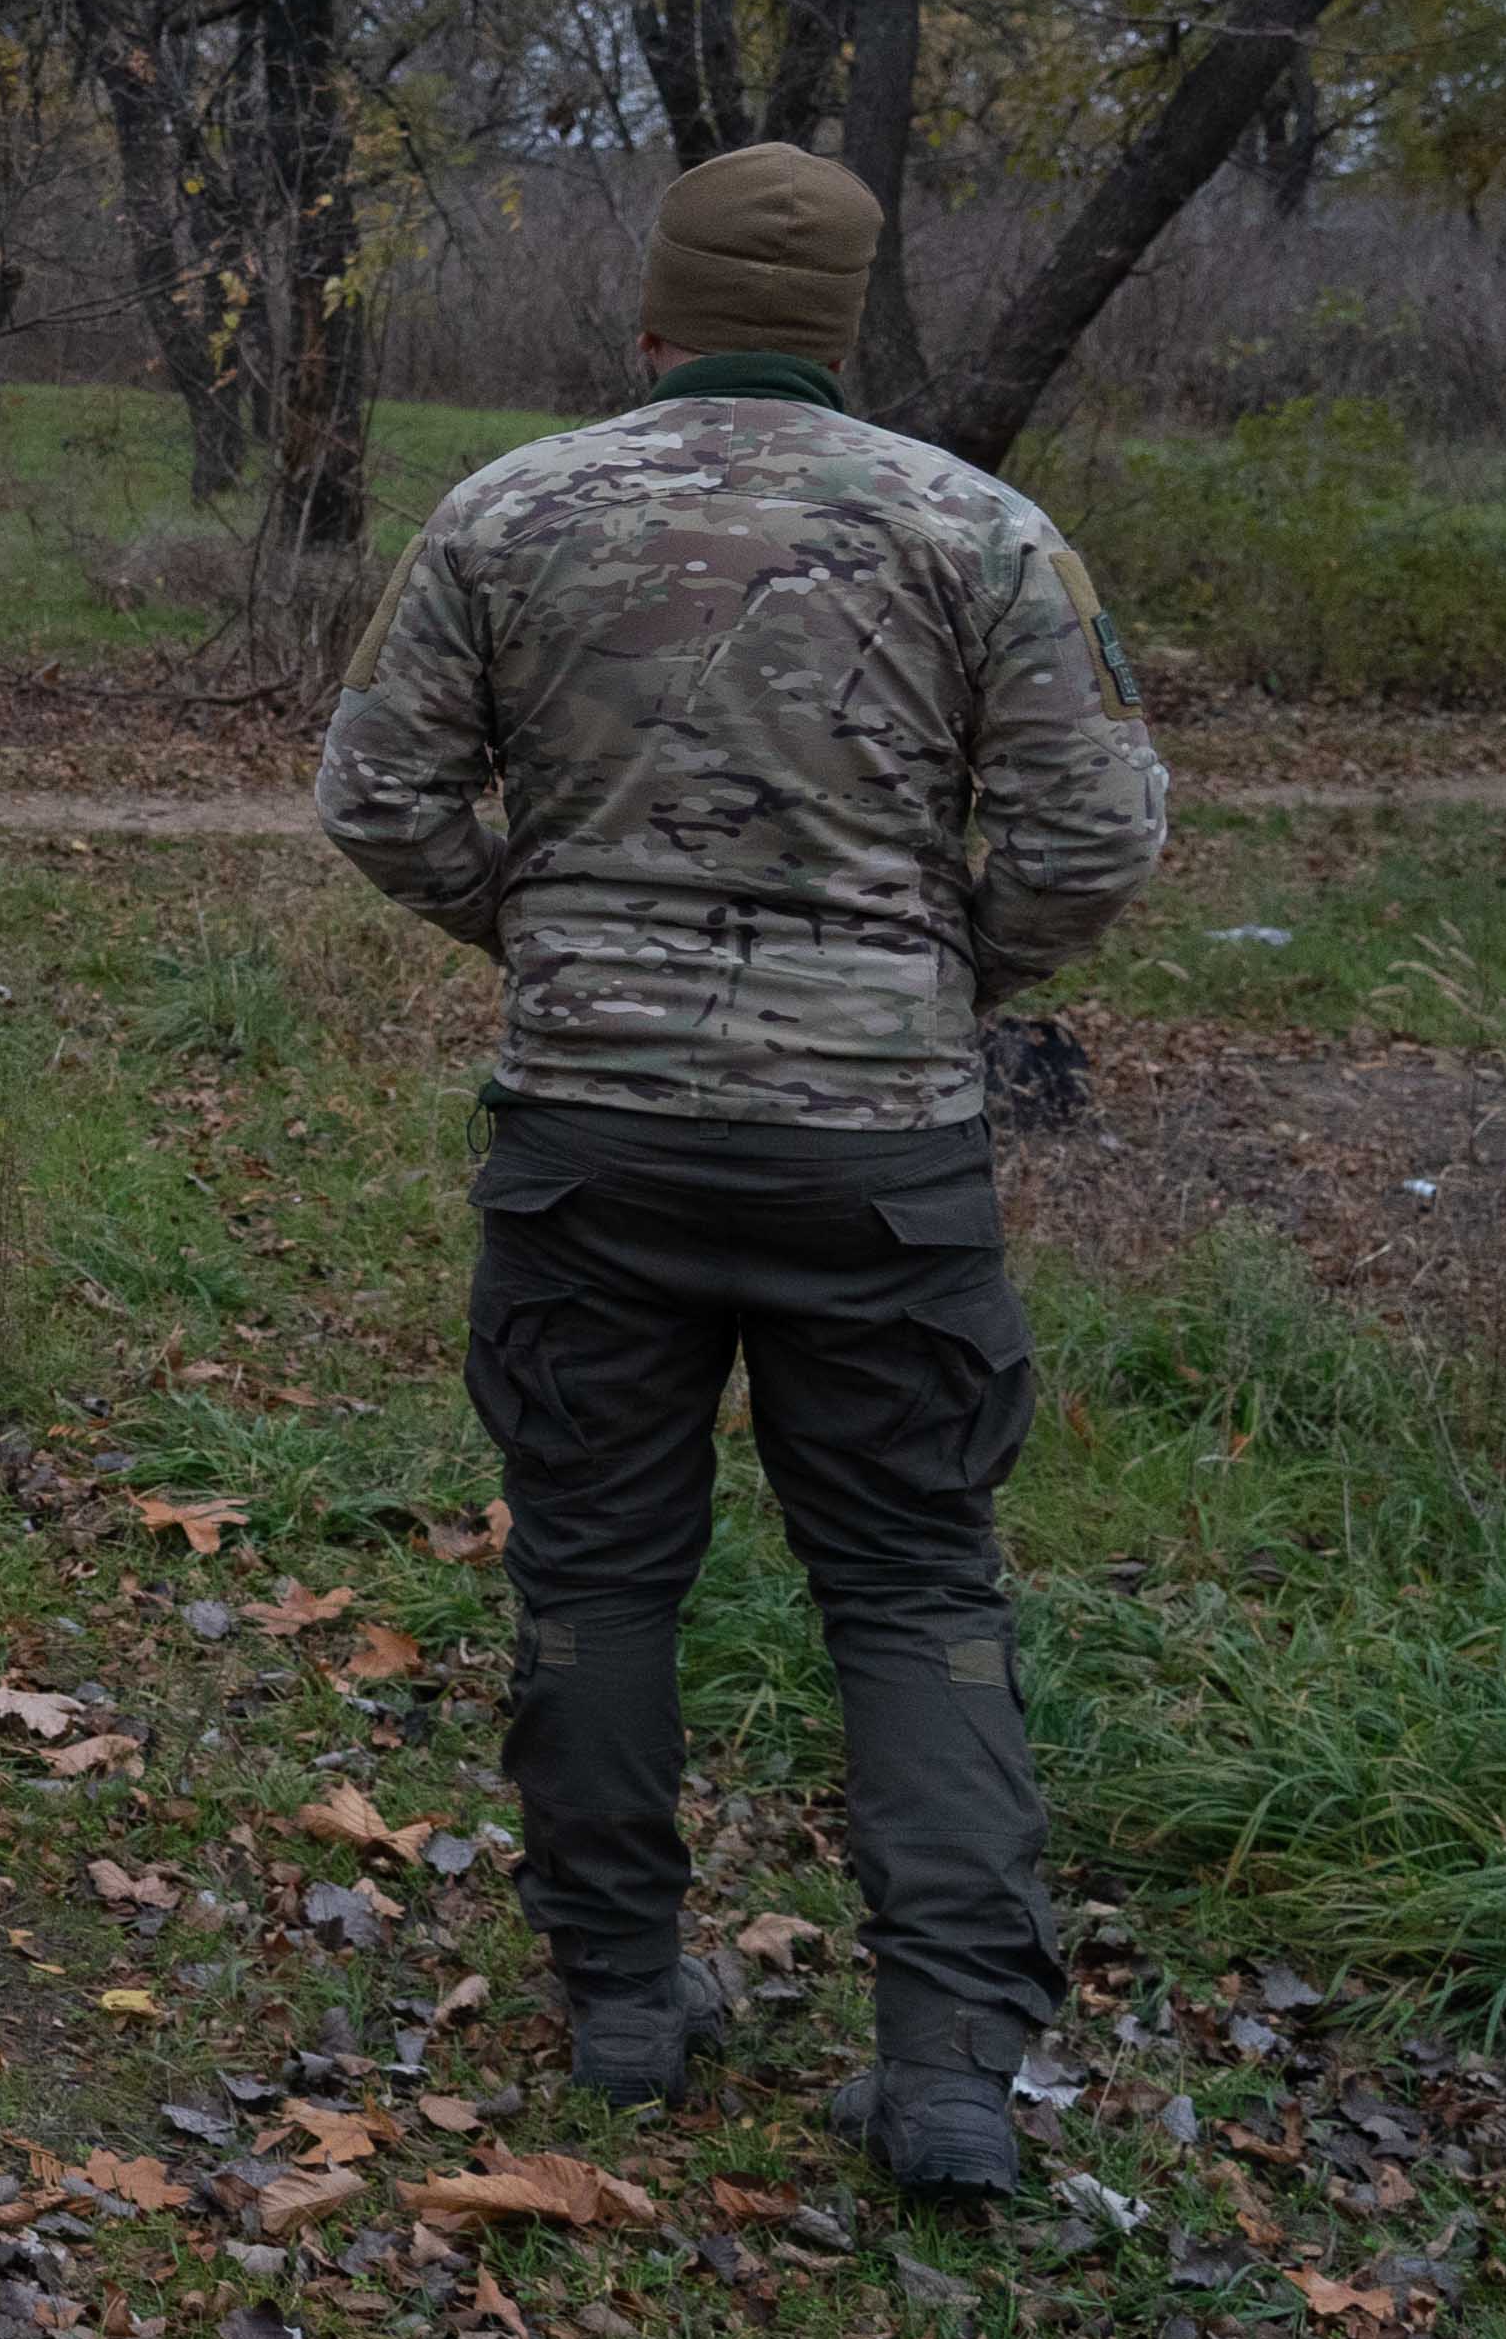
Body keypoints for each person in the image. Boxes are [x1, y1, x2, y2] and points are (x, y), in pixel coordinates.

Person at [312, 144, 1168, 2197]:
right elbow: (1098, 833)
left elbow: (378, 789)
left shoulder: (513, 510)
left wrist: (547, 940)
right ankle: (954, 2064)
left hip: (590, 1139)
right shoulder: (980, 527)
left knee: (598, 1566)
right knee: (916, 1583)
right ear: (846, 330)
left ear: (653, 320)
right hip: (878, 1151)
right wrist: (941, 972)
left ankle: (621, 1996)